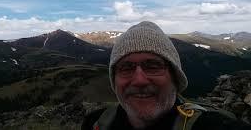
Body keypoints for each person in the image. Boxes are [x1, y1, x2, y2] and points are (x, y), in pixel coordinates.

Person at [81, 21, 250, 130]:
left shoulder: (214, 126)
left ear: (175, 77)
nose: (139, 80)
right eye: (126, 68)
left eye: (153, 66)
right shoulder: (96, 123)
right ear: (114, 80)